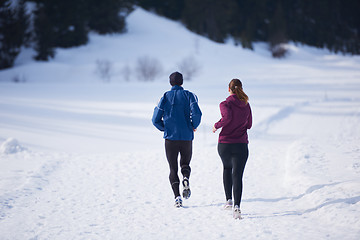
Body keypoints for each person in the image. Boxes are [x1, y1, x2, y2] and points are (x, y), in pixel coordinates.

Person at [152, 71, 202, 208]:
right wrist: (193, 125)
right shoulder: (190, 95)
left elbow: (155, 119)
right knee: (185, 164)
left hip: (170, 138)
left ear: (170, 83)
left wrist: (164, 128)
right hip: (186, 137)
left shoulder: (165, 97)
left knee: (172, 168)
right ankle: (186, 178)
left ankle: (177, 197)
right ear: (182, 82)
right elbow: (197, 113)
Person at [212, 79, 252, 219]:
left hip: (225, 145)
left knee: (227, 168)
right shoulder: (246, 105)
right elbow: (249, 125)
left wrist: (216, 125)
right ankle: (237, 207)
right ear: (240, 89)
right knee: (238, 175)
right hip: (241, 145)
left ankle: (228, 200)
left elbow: (227, 117)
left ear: (229, 89)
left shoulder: (225, 104)